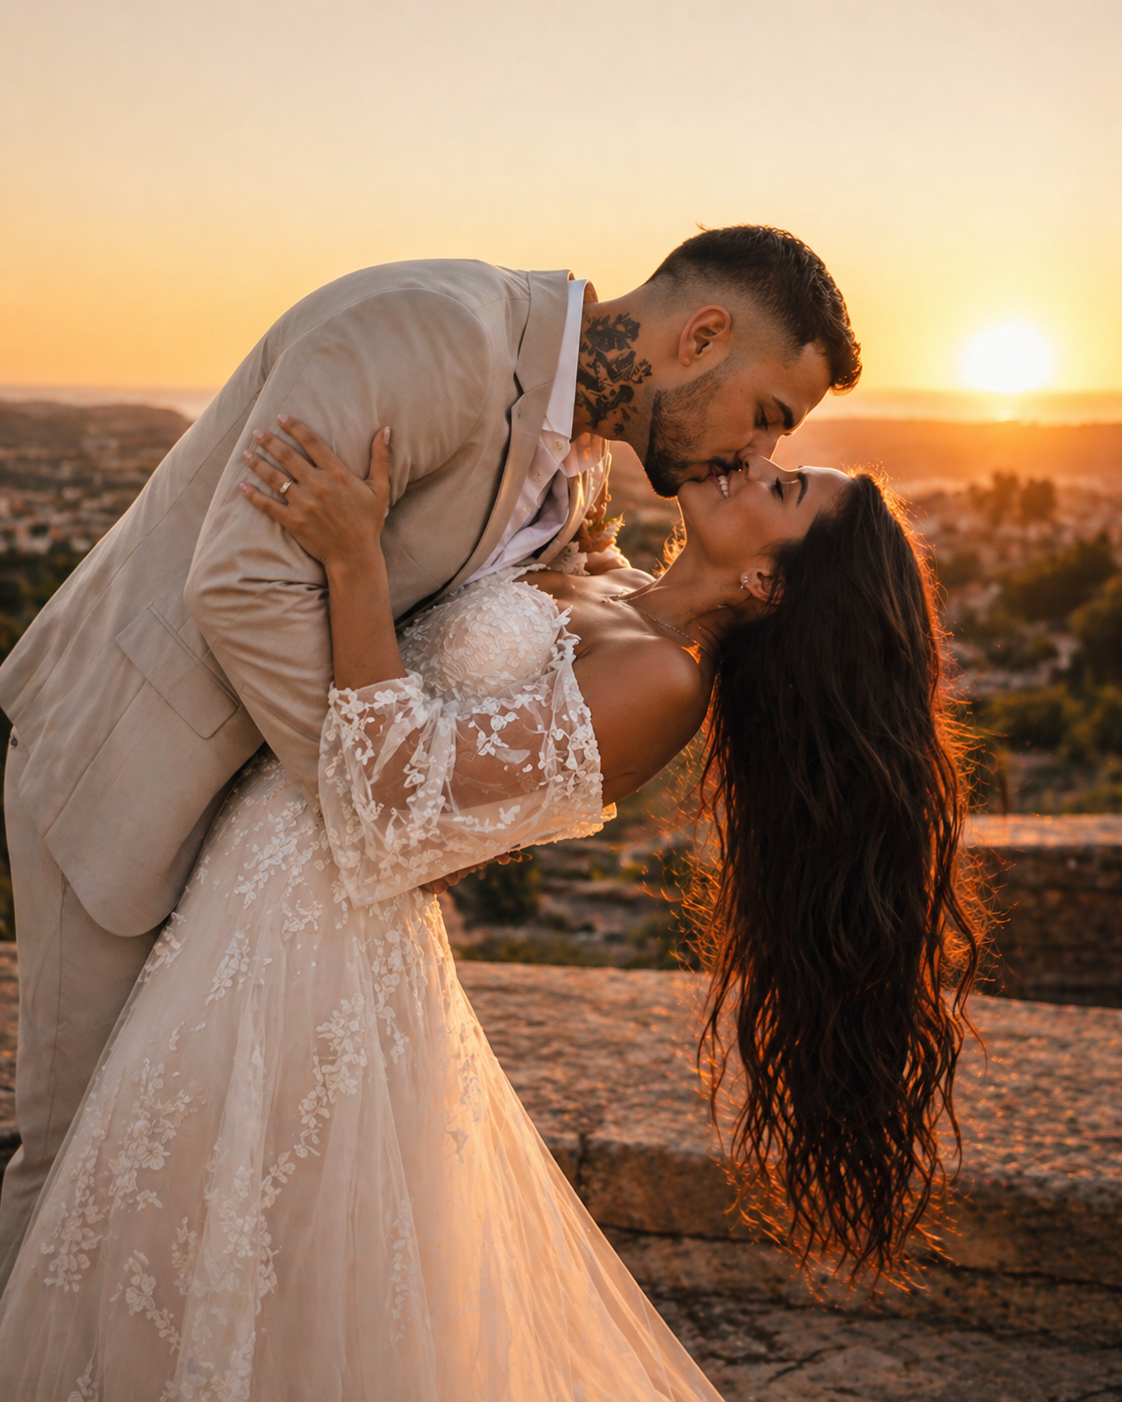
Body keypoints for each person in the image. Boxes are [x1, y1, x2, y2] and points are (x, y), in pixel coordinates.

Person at [0, 401, 981, 1397]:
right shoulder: (622, 583)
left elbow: (396, 818)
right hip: (254, 885)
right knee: (169, 1244)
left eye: (784, 488)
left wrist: (353, 562)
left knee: (235, 1265)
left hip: (317, 935)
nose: (759, 462)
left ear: (768, 581)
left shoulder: (665, 686)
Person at [0, 224, 861, 1286]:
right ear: (703, 336)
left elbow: (543, 635)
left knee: (182, 1204)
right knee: (75, 1157)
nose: (757, 454)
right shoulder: (432, 335)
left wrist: (389, 807)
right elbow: (240, 585)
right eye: (768, 415)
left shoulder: (583, 446)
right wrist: (377, 814)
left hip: (270, 864)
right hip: (137, 766)